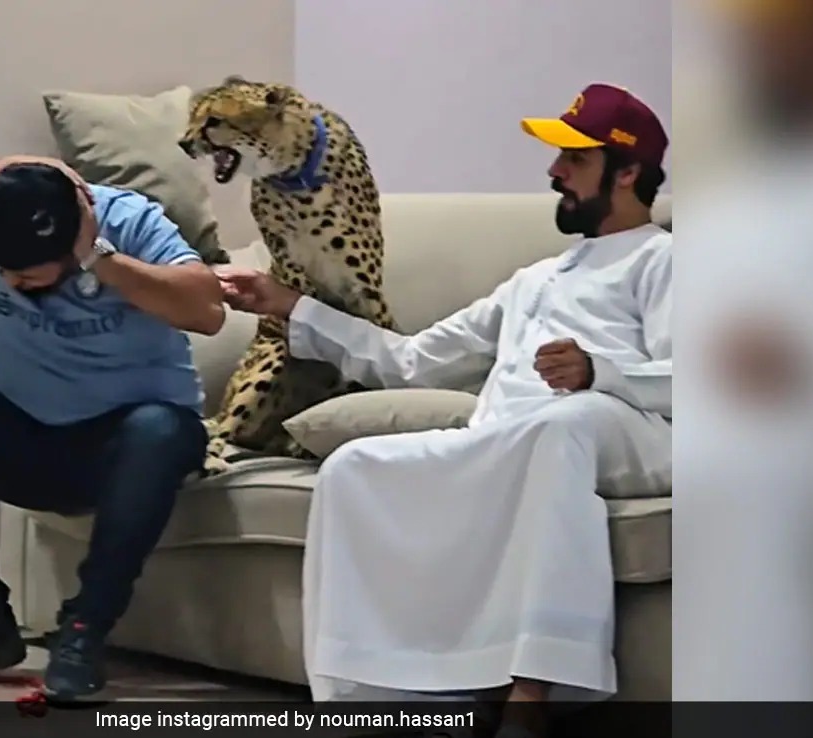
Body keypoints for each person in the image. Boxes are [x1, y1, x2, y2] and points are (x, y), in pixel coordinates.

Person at [218, 84, 671, 736]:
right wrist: (290, 305)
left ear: (627, 172)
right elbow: (410, 360)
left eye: (574, 159)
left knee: (558, 425)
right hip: (515, 438)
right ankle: (387, 695)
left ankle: (531, 693)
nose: (554, 172)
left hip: (627, 432)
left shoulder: (664, 260)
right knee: (354, 467)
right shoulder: (535, 279)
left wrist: (600, 371)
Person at [0, 156, 224, 701]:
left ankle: (83, 630)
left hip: (132, 443)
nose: (10, 281)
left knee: (160, 430)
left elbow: (207, 310)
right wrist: (7, 168)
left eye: (27, 275)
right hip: (32, 434)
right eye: (4, 270)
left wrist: (100, 257)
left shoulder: (129, 220)